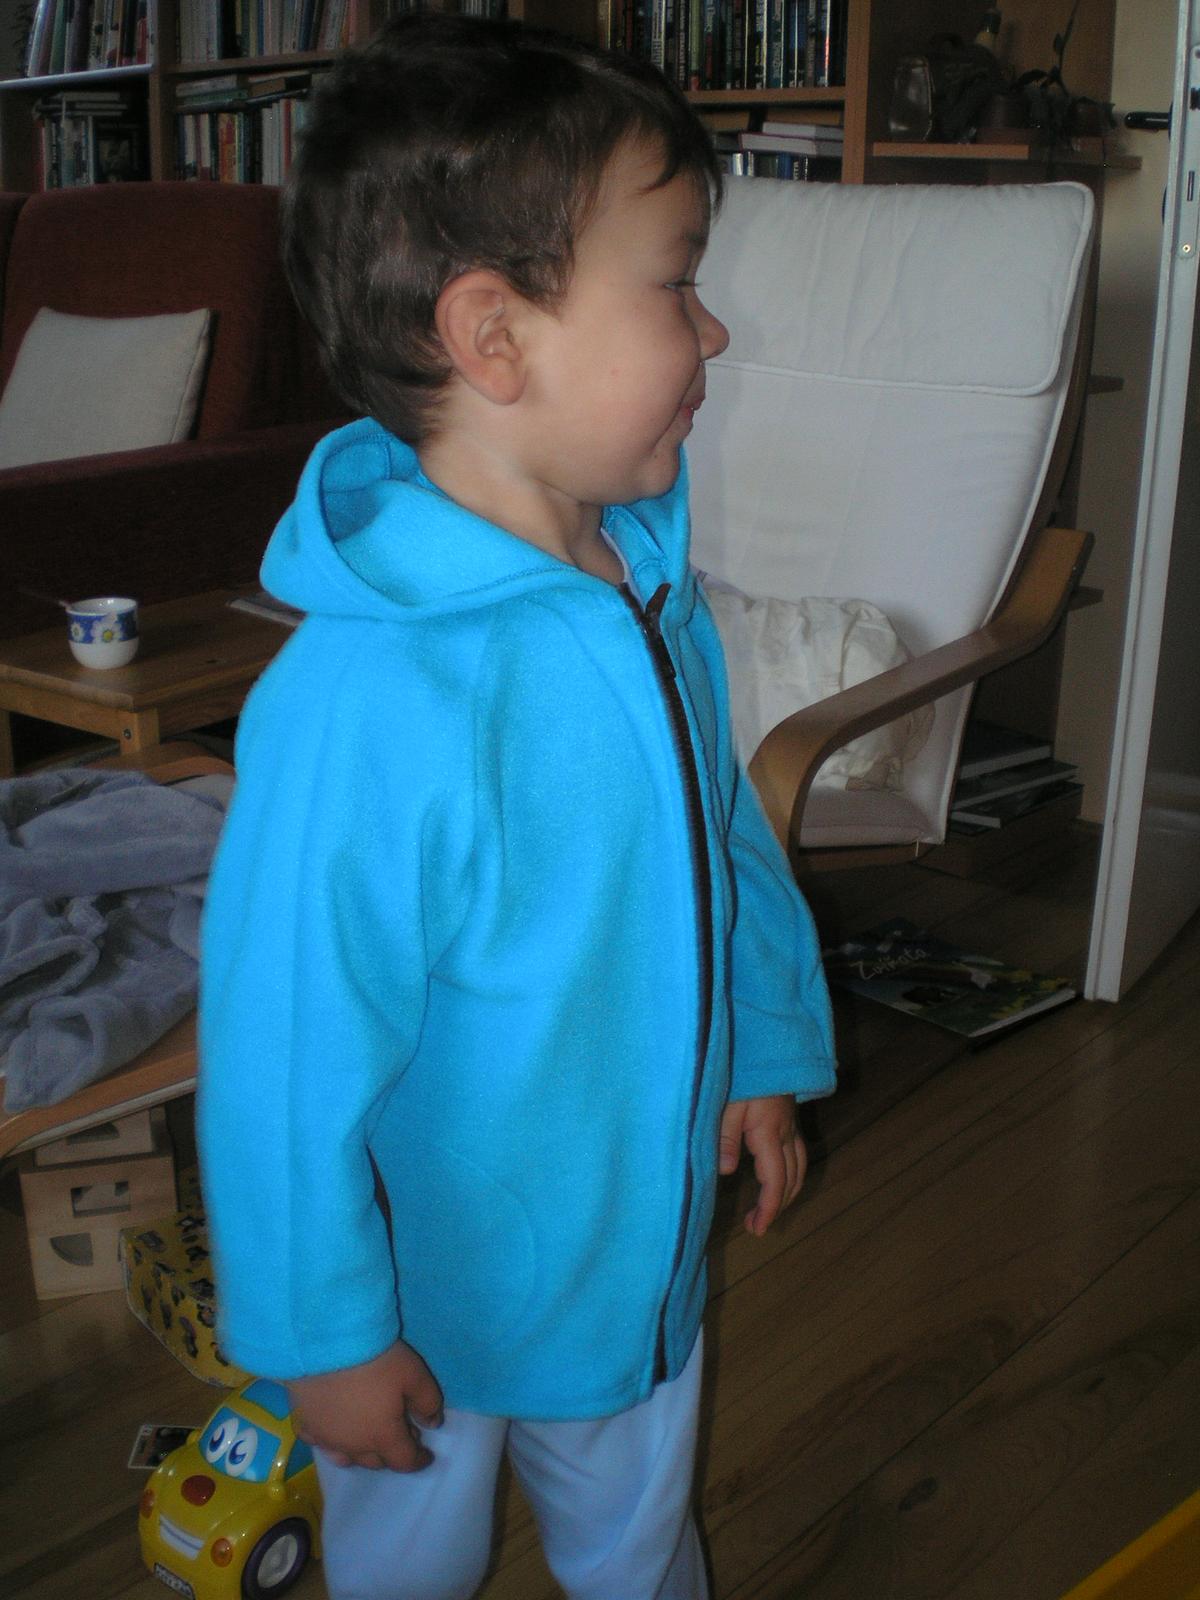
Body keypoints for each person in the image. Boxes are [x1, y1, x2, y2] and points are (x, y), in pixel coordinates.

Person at [197, 14, 836, 1600]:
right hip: (427, 1291)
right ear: (495, 336)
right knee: (408, 1562)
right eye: (676, 283)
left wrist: (759, 1047)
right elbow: (285, 1045)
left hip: (631, 1237)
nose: (714, 331)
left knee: (639, 1543)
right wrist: (323, 1333)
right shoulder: (370, 698)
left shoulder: (640, 583)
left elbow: (717, 839)